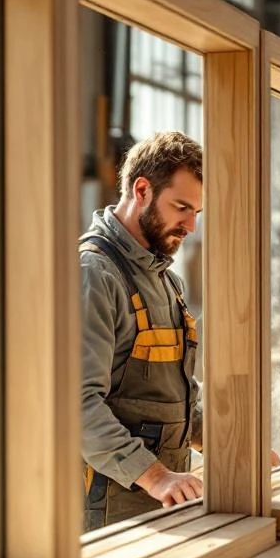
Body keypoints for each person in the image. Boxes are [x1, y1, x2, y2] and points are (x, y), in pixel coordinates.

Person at [80, 131, 205, 531]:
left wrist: (233, 447)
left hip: (162, 503)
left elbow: (166, 399)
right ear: (142, 189)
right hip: (108, 510)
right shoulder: (94, 275)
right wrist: (156, 477)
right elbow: (75, 403)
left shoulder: (166, 281)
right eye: (182, 207)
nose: (190, 226)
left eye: (196, 213)